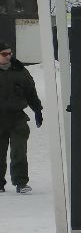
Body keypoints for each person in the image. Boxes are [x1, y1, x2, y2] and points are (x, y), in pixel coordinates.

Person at [0, 40, 44, 194]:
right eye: (5, 54)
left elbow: (31, 92)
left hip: (17, 118)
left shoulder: (20, 71)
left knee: (19, 151)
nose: (8, 56)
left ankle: (20, 182)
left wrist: (37, 110)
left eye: (10, 53)